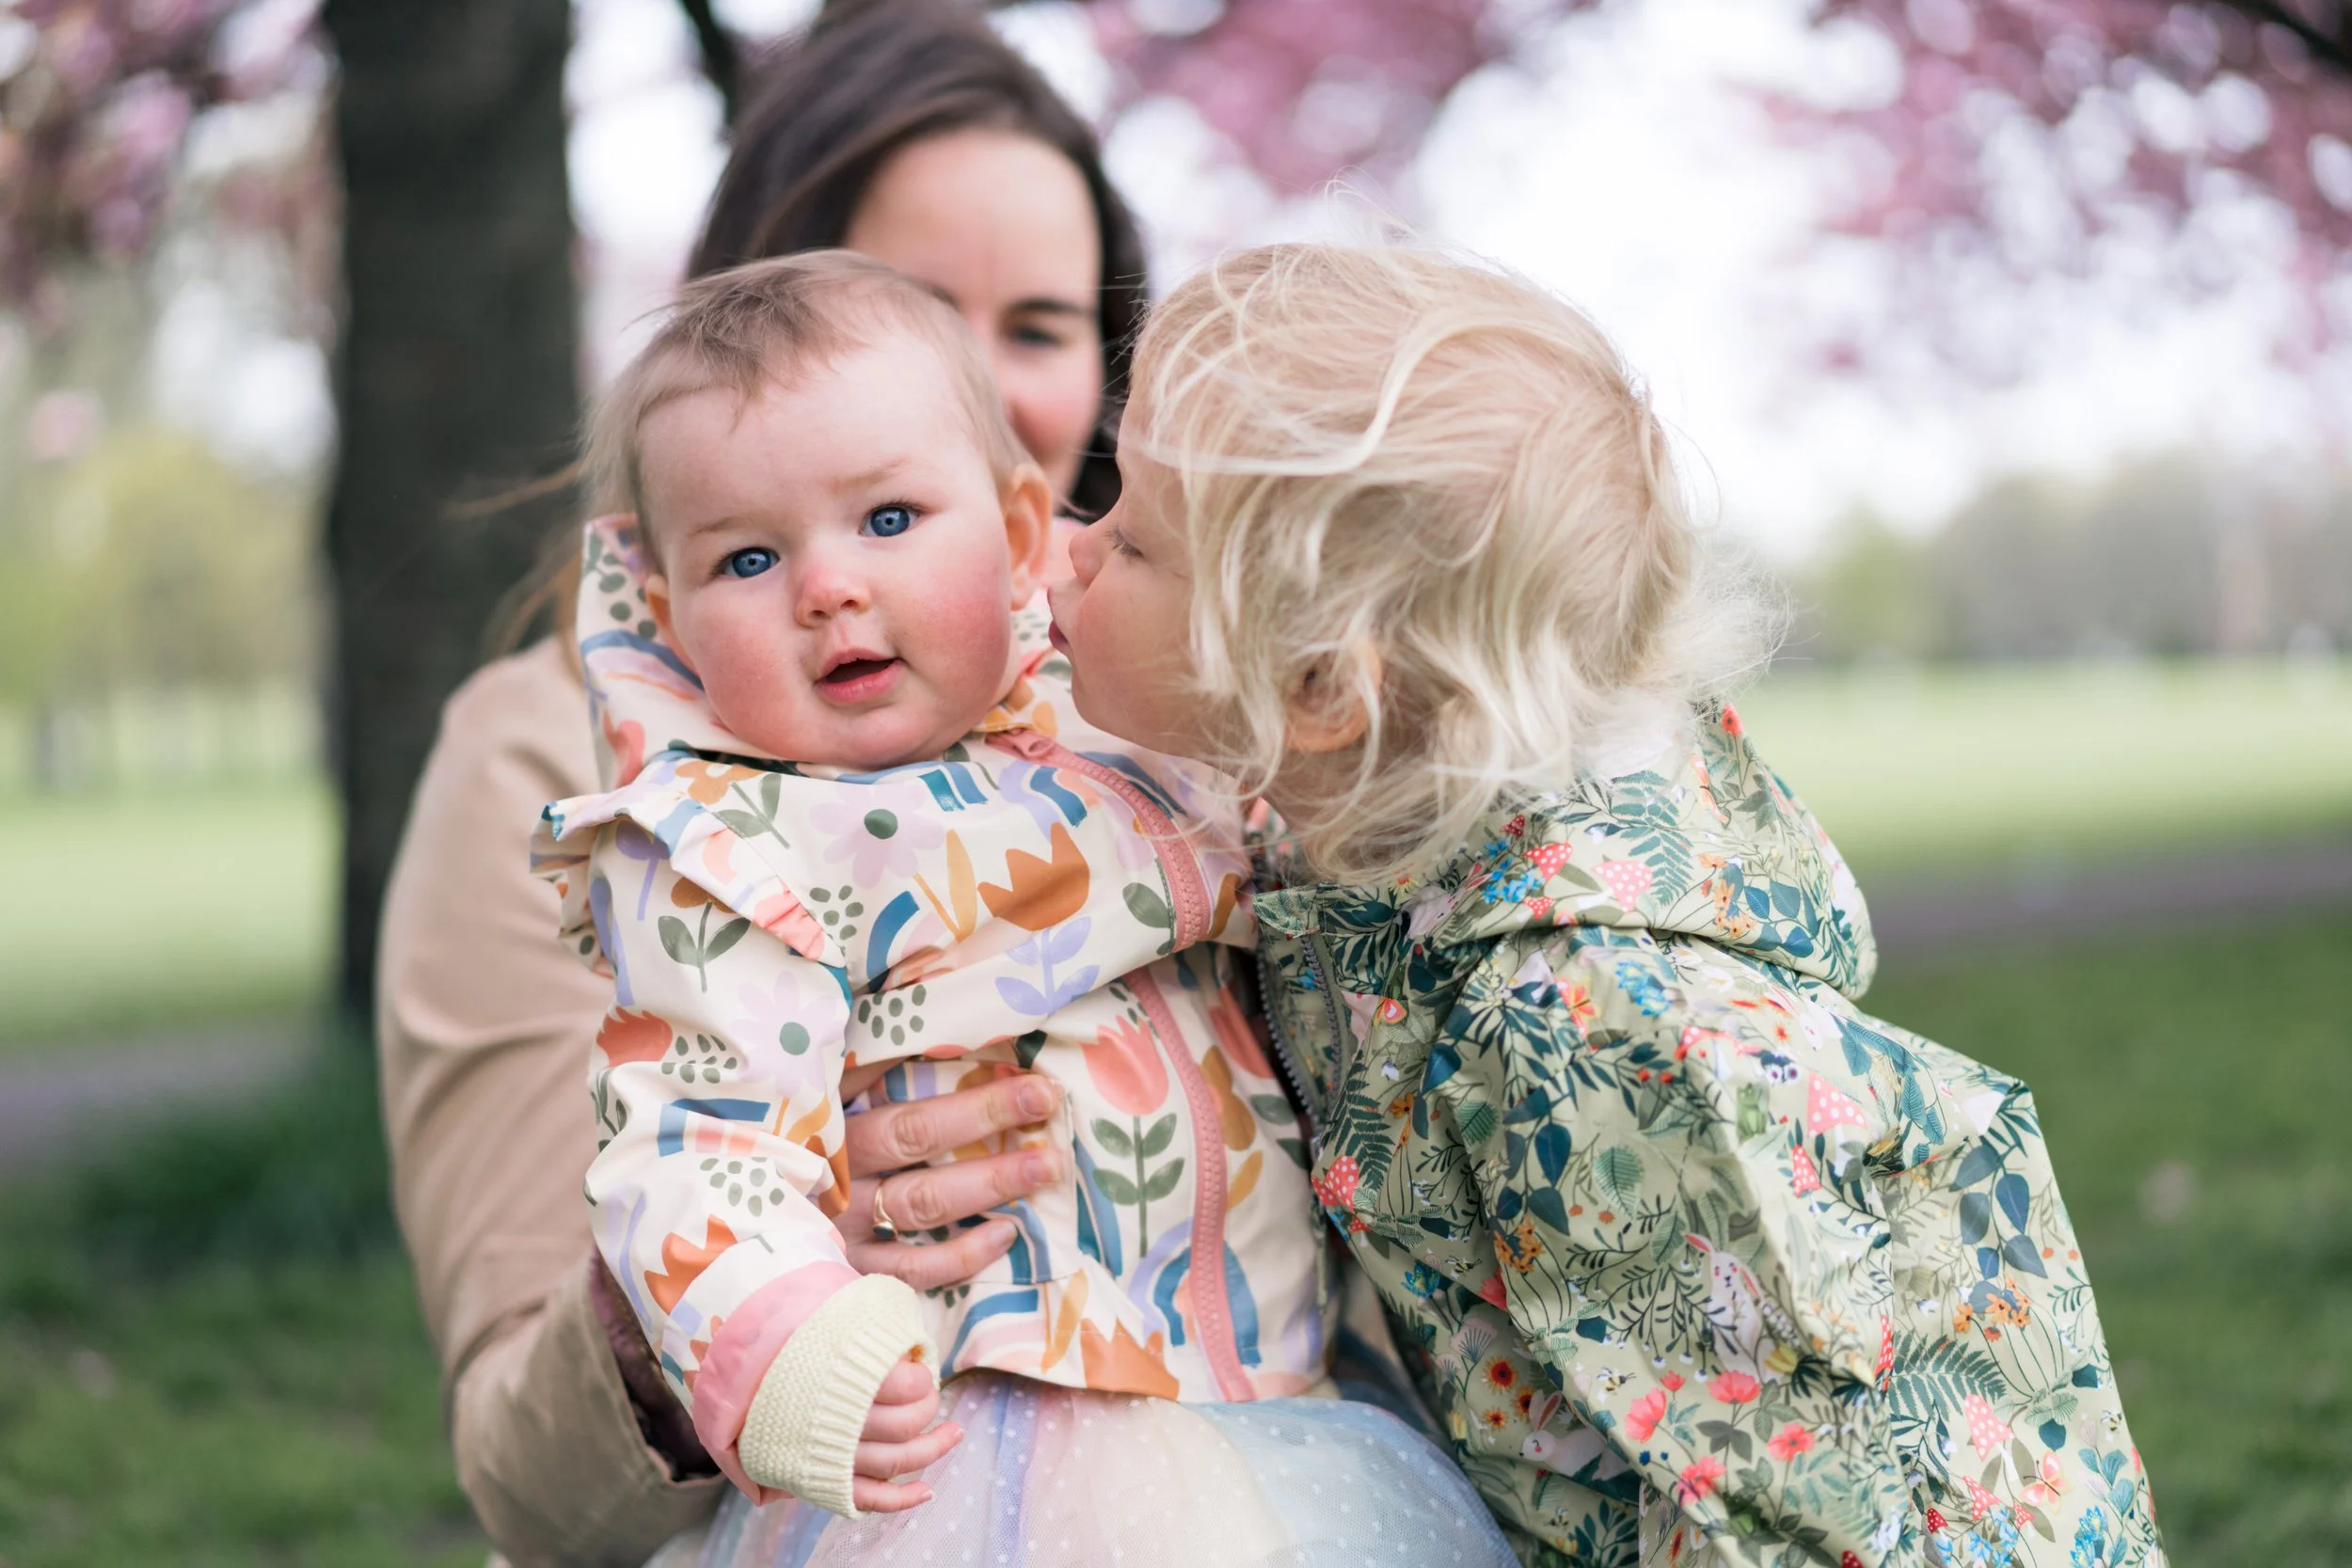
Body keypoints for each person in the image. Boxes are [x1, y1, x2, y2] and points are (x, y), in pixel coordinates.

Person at [1046, 243, 2167, 1567]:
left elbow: (1782, 1497)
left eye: (1130, 539)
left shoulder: (1591, 1035)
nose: (1065, 551)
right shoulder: (1366, 860)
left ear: (1318, 694)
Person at [534, 252, 1520, 1568]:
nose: (826, 586)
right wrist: (784, 1338)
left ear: (1012, 534)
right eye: (750, 556)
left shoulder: (1127, 707)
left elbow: (1308, 809)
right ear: (671, 616)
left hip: (1274, 1406)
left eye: (887, 519)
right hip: (975, 1442)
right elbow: (695, 1136)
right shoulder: (731, 847)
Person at [373, 7, 1148, 1562]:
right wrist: (740, 1258)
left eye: (1044, 326)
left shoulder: (1168, 715)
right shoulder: (558, 770)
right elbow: (524, 1483)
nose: (985, 384)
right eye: (911, 310)